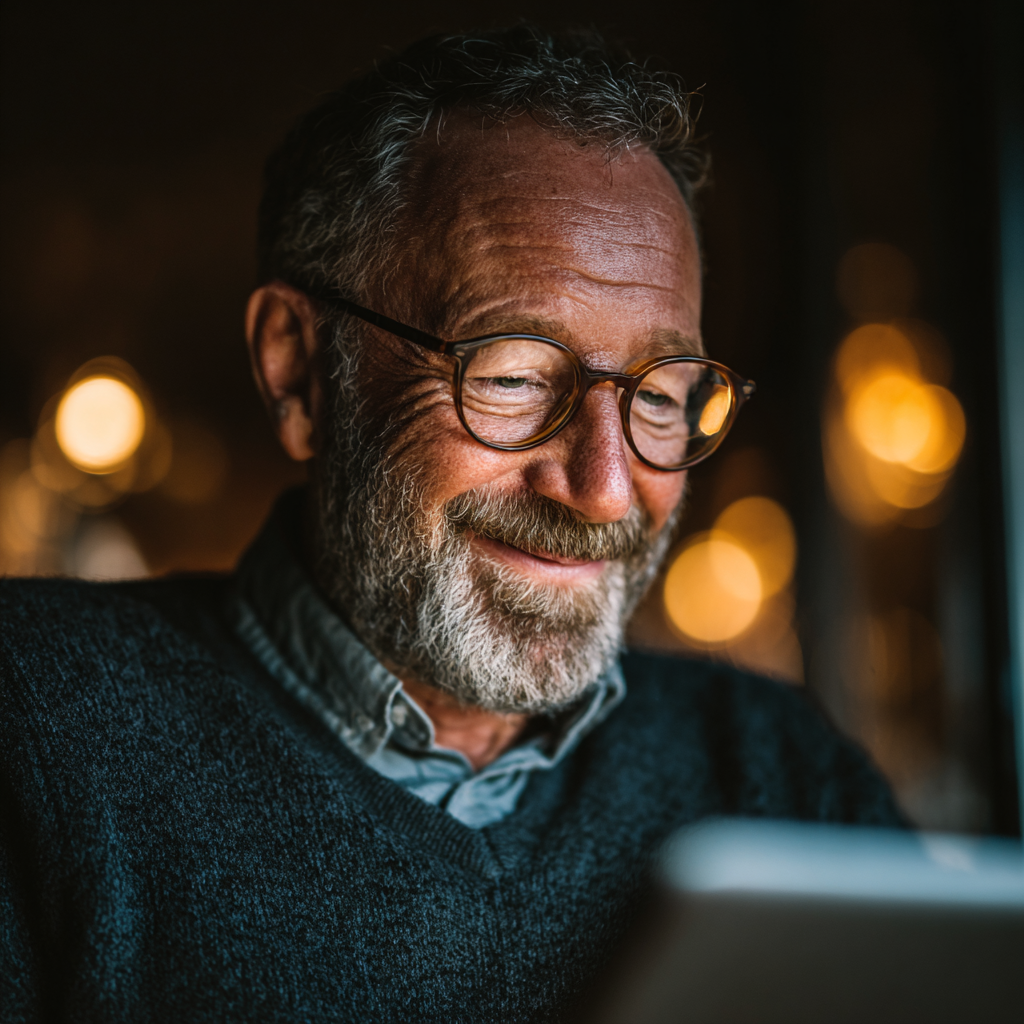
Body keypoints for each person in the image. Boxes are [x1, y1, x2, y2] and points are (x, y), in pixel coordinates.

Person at [0, 25, 902, 1023]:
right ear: (299, 369)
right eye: (513, 376)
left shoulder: (781, 777)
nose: (606, 489)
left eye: (658, 395)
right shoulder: (32, 727)